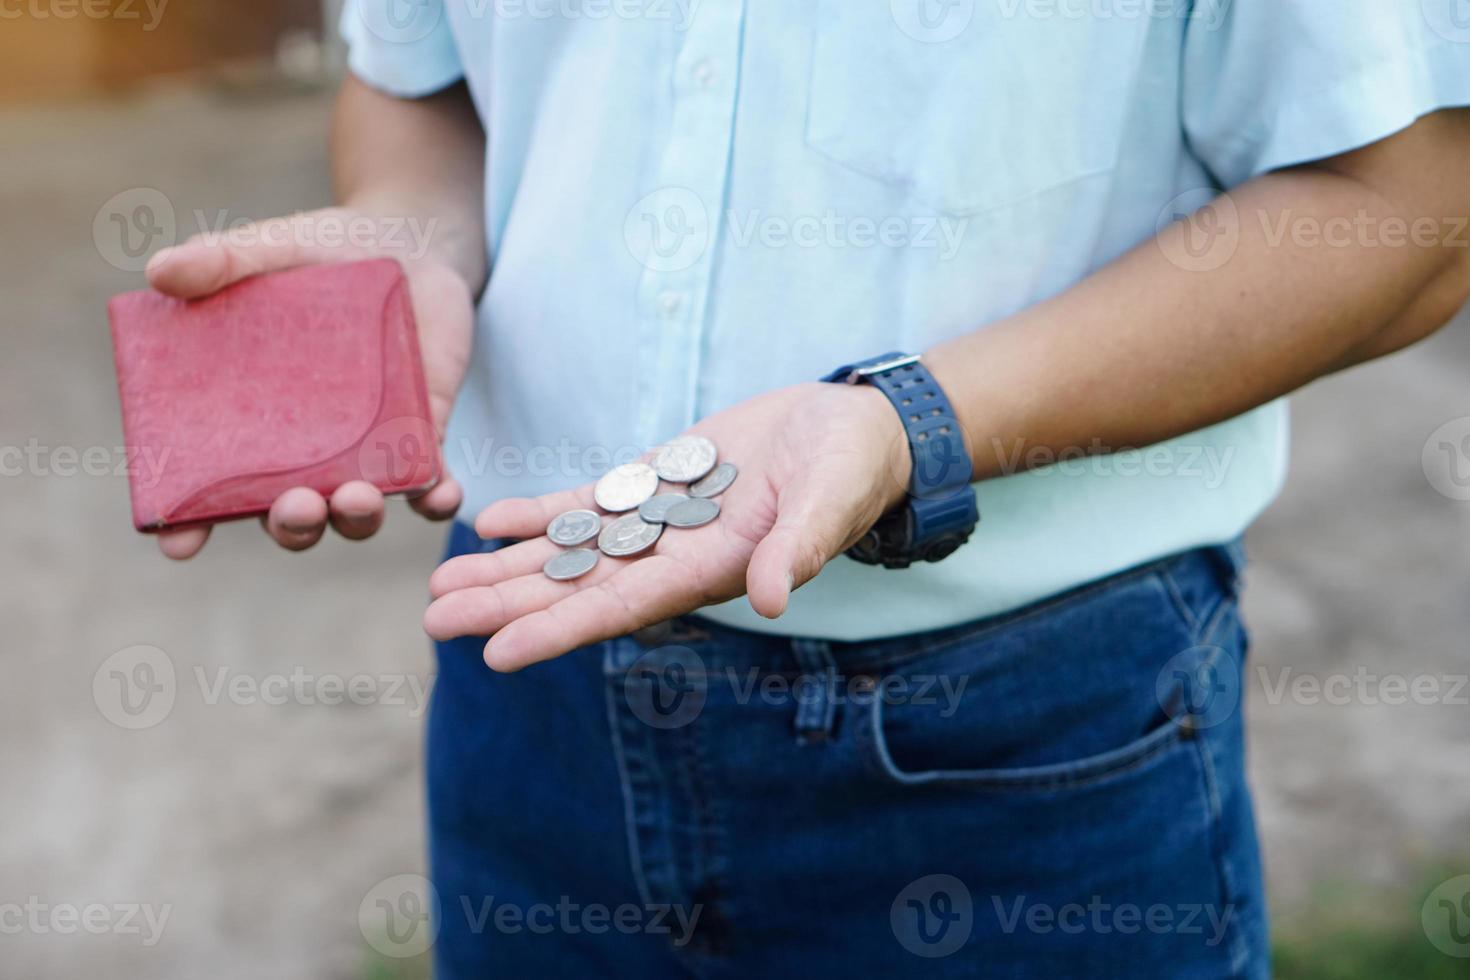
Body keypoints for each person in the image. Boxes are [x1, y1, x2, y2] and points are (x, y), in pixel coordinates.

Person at [141, 1, 1470, 975]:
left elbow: (1407, 207)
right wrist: (408, 240)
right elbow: (421, 84)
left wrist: (911, 426)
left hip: (1028, 743)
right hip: (529, 682)